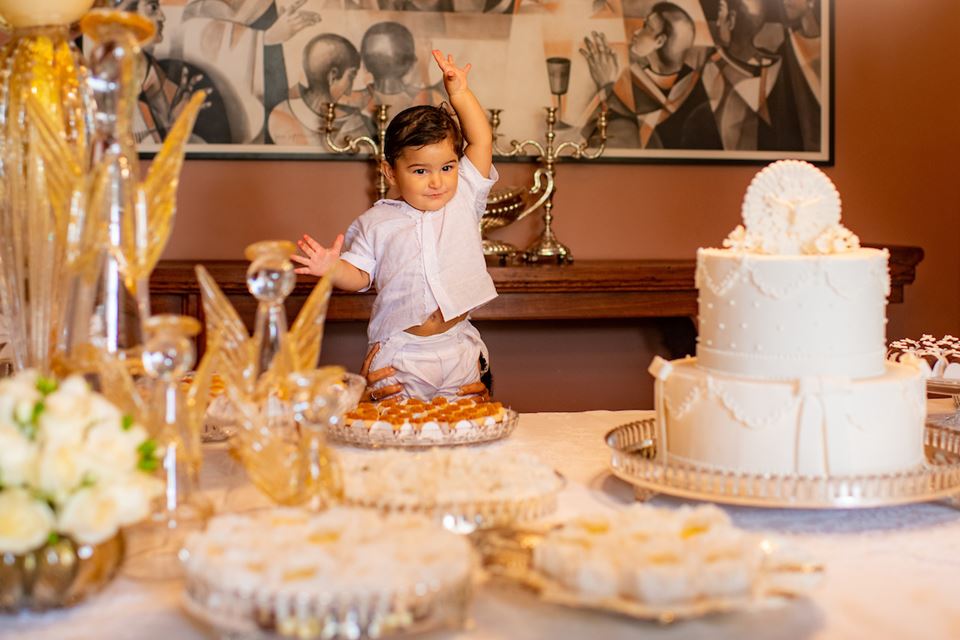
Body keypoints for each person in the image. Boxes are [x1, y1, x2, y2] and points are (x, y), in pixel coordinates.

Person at [293, 50, 496, 401]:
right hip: (402, 351)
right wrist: (331, 268)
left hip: (456, 343)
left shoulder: (464, 196)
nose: (437, 182)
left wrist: (459, 94)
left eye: (447, 167)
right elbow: (359, 276)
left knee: (463, 428)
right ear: (391, 172)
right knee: (399, 431)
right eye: (420, 171)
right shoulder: (376, 222)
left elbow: (481, 141)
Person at [579, 2, 721, 149]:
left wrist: (606, 85)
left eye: (646, 27)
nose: (635, 32)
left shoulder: (688, 97)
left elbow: (623, 142)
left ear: (659, 41)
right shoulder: (638, 77)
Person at [267, 33, 374, 147]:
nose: (349, 91)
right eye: (351, 76)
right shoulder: (281, 117)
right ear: (332, 76)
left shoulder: (280, 112)